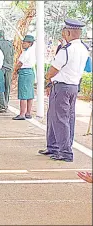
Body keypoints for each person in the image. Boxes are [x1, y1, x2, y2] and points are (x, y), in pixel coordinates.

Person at [39, 19, 89, 162]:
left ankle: (64, 152)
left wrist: (47, 80)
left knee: (60, 119)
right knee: (64, 118)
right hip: (73, 86)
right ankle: (54, 147)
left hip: (61, 87)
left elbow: (53, 71)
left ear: (67, 32)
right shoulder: (83, 49)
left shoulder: (66, 50)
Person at [12, 35, 36, 120]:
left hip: (24, 72)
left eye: (25, 42)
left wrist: (14, 71)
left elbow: (20, 63)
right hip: (30, 72)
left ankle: (22, 114)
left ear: (30, 43)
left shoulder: (26, 53)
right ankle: (28, 112)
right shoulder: (32, 52)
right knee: (29, 94)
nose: (23, 44)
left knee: (23, 94)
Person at [0, 30, 15, 113]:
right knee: (7, 87)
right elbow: (13, 54)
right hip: (9, 67)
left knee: (0, 87)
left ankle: (2, 105)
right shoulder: (10, 44)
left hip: (1, 67)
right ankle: (6, 103)